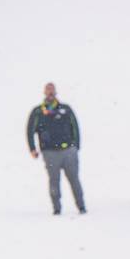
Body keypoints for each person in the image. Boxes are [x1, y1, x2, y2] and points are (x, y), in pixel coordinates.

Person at [27, 83, 83, 216]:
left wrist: (76, 146)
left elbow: (75, 126)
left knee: (74, 179)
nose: (50, 93)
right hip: (50, 152)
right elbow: (30, 130)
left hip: (68, 151)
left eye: (52, 90)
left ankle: (81, 206)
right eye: (48, 90)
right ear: (44, 92)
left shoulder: (65, 109)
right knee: (54, 181)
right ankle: (57, 208)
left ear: (56, 92)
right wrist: (32, 149)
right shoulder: (38, 112)